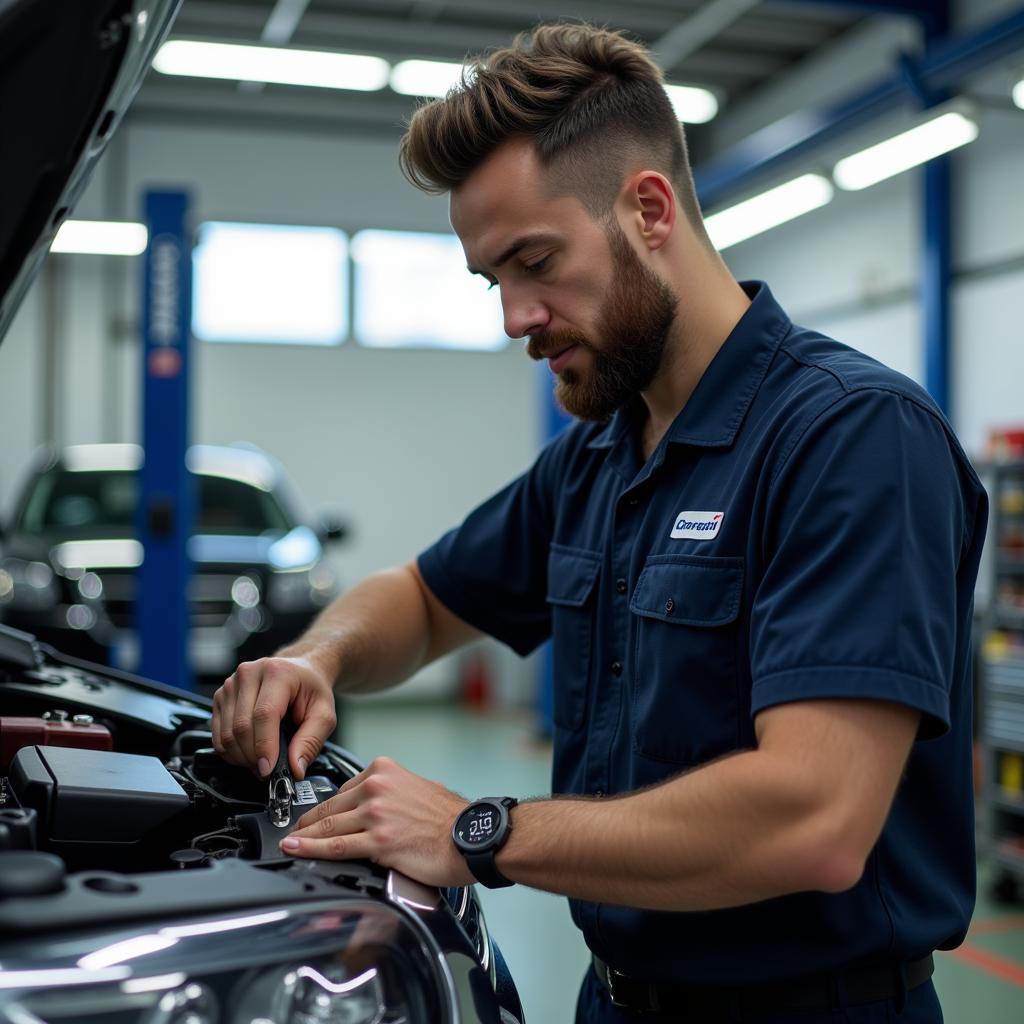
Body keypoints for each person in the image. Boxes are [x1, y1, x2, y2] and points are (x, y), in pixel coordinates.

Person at [211, 23, 988, 1023]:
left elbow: (815, 818)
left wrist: (480, 830)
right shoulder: (598, 457)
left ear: (648, 210)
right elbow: (417, 596)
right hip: (614, 999)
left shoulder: (851, 438)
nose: (514, 318)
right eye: (495, 280)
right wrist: (315, 661)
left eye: (535, 261)